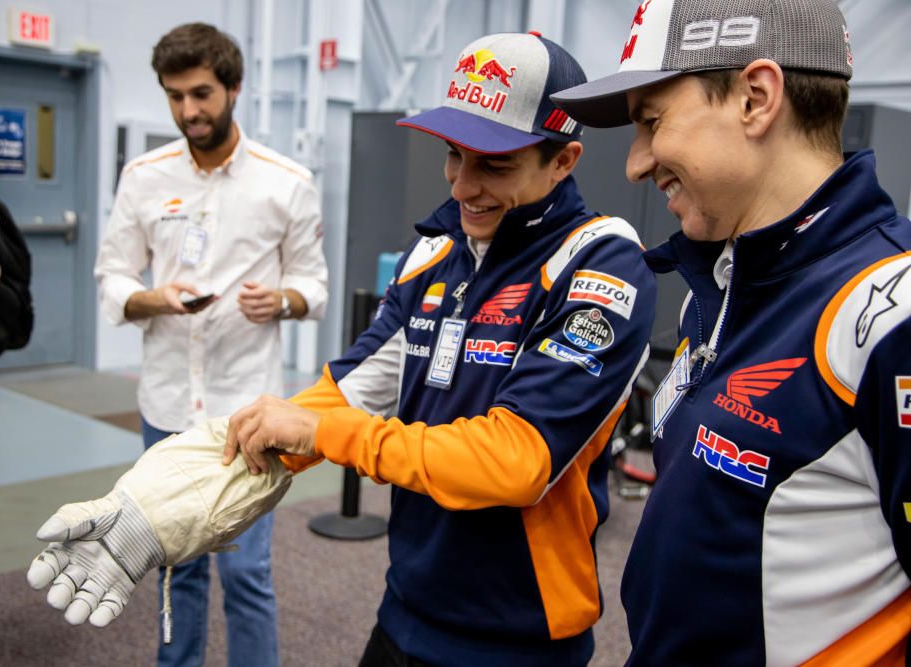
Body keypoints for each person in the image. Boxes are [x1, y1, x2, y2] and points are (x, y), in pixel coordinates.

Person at [224, 32, 656, 665]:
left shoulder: (600, 265)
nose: (461, 186)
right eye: (454, 155)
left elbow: (515, 461)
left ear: (563, 160)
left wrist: (325, 435)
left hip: (520, 636)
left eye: (494, 164)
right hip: (405, 607)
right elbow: (352, 388)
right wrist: (183, 497)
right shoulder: (434, 251)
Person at [551, 0, 911, 664]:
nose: (635, 162)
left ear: (755, 98)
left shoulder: (891, 317)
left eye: (651, 122)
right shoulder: (722, 282)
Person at [94, 23, 328, 667]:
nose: (189, 111)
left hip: (249, 411)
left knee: (247, 574)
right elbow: (112, 276)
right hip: (166, 406)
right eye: (175, 97)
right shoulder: (143, 177)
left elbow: (316, 287)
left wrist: (279, 300)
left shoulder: (287, 182)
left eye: (201, 93)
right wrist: (153, 297)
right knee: (177, 567)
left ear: (234, 87)